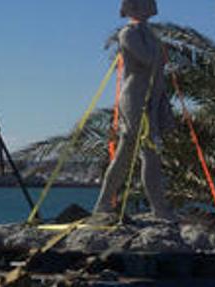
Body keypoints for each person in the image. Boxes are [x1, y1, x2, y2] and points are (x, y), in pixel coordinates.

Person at [92, 0, 177, 221]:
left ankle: (103, 203)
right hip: (135, 99)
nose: (153, 5)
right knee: (149, 152)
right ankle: (158, 208)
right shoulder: (128, 33)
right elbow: (147, 58)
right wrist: (159, 48)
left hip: (151, 98)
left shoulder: (148, 33)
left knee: (125, 154)